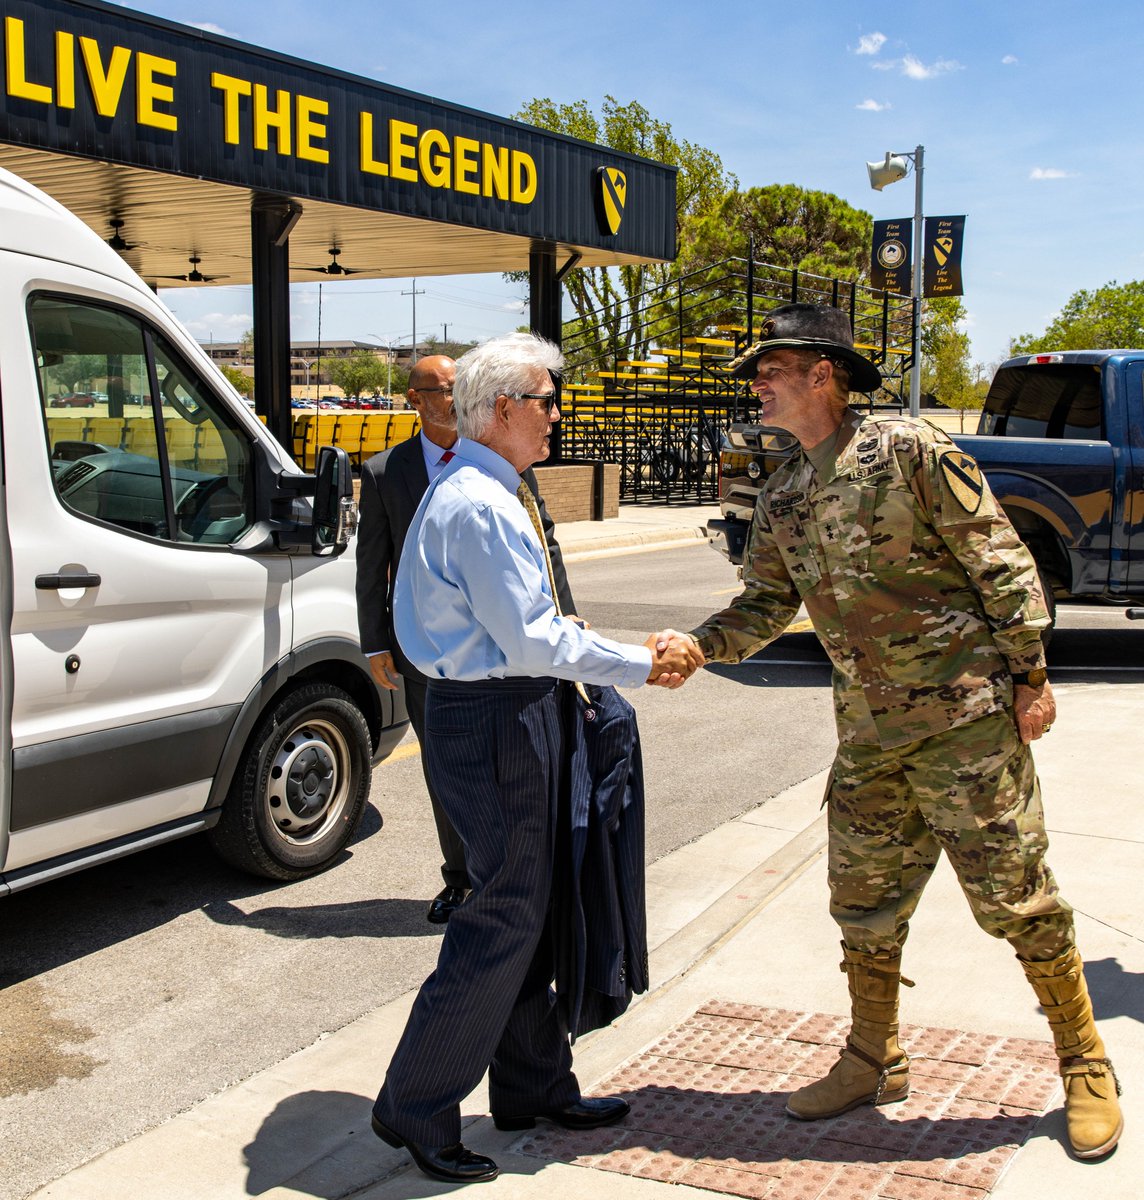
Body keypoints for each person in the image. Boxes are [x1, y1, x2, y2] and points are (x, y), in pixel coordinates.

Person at [679, 303, 1122, 1160]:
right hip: (869, 733)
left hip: (966, 726)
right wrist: (696, 647)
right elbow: (766, 606)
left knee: (1017, 899)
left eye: (772, 367)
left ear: (824, 375)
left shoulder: (911, 450)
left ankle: (1084, 1061)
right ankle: (873, 1055)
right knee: (862, 903)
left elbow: (998, 556)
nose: (757, 382)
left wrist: (1030, 676)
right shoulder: (787, 494)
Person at [368, 332, 700, 1183]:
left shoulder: (488, 488)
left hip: (515, 712)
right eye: (548, 401)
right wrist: (641, 664)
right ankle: (417, 1102)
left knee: (538, 907)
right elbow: (531, 638)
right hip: (495, 719)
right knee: (507, 909)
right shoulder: (478, 504)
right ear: (504, 409)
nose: (557, 415)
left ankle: (532, 1084)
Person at [356, 354, 576, 924]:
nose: (454, 397)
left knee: (517, 765)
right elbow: (373, 563)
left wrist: (568, 618)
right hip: (431, 653)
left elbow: (544, 544)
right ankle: (463, 878)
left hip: (511, 648)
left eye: (460, 386)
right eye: (442, 388)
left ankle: (515, 881)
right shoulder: (386, 472)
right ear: (415, 399)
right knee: (446, 766)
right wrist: (375, 643)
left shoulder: (507, 463)